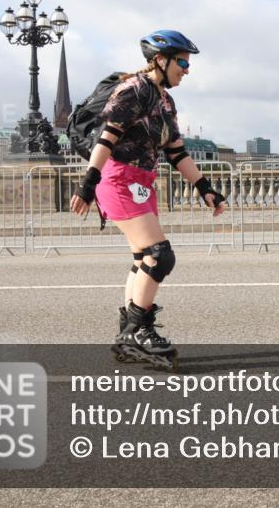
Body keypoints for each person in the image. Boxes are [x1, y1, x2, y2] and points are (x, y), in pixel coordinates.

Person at [70, 29, 226, 370]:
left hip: (143, 181)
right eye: (182, 62)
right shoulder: (134, 90)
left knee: (144, 257)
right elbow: (107, 137)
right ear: (160, 60)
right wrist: (88, 182)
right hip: (119, 178)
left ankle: (131, 331)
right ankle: (135, 333)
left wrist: (205, 187)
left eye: (188, 63)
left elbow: (176, 151)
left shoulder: (165, 100)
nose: (187, 69)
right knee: (160, 255)